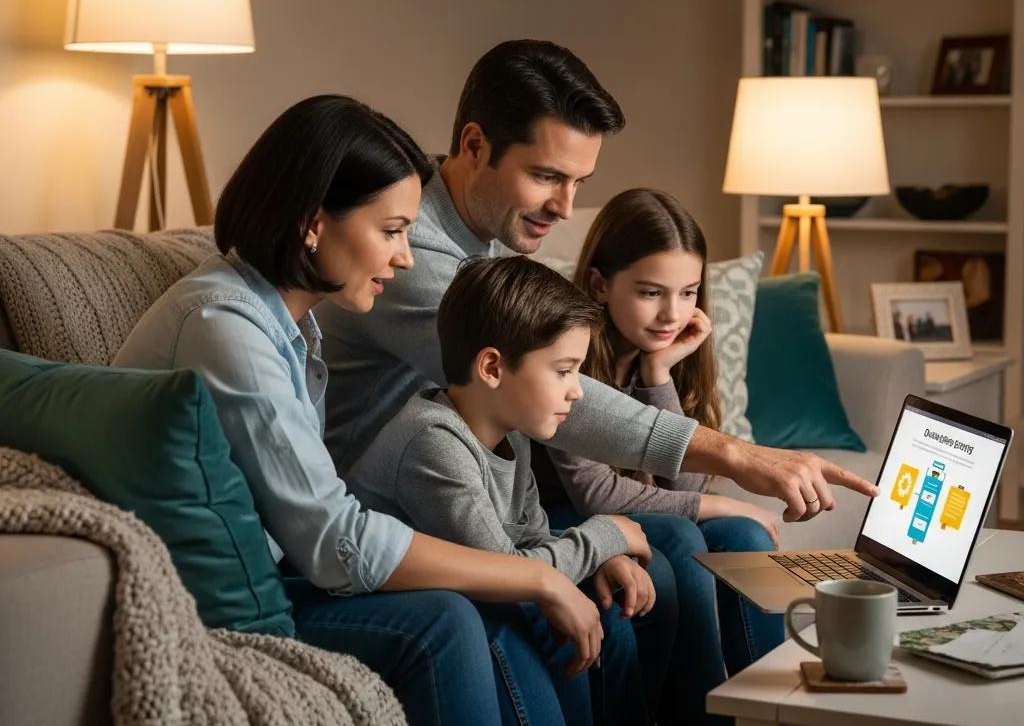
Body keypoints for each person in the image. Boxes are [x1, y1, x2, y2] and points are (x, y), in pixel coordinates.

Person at [113, 95, 627, 726]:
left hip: (286, 571)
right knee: (452, 620)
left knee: (502, 610)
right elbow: (329, 540)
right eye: (390, 231)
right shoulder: (227, 330)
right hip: (219, 605)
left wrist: (537, 577)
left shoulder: (287, 322)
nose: (406, 257)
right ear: (312, 222)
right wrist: (537, 578)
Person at [318, 39, 878, 570]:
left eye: (579, 182)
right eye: (546, 176)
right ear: (474, 145)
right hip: (397, 511)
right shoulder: (406, 250)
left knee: (697, 552)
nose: (564, 207)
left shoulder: (490, 233)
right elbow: (560, 400)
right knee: (671, 548)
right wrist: (739, 455)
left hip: (496, 501)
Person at [349, 254, 676, 726]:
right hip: (415, 611)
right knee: (529, 627)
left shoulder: (511, 432)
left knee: (611, 618)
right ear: (493, 367)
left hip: (483, 589)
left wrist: (599, 556)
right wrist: (605, 533)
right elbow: (510, 571)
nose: (578, 390)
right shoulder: (432, 441)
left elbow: (531, 537)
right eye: (564, 370)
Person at [540, 188, 787, 726]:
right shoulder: (566, 351)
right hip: (558, 514)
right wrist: (725, 497)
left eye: (688, 293)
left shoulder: (661, 352)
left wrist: (658, 373)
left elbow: (678, 477)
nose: (672, 314)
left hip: (630, 513)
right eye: (651, 293)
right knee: (689, 531)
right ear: (600, 283)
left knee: (739, 537)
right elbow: (596, 493)